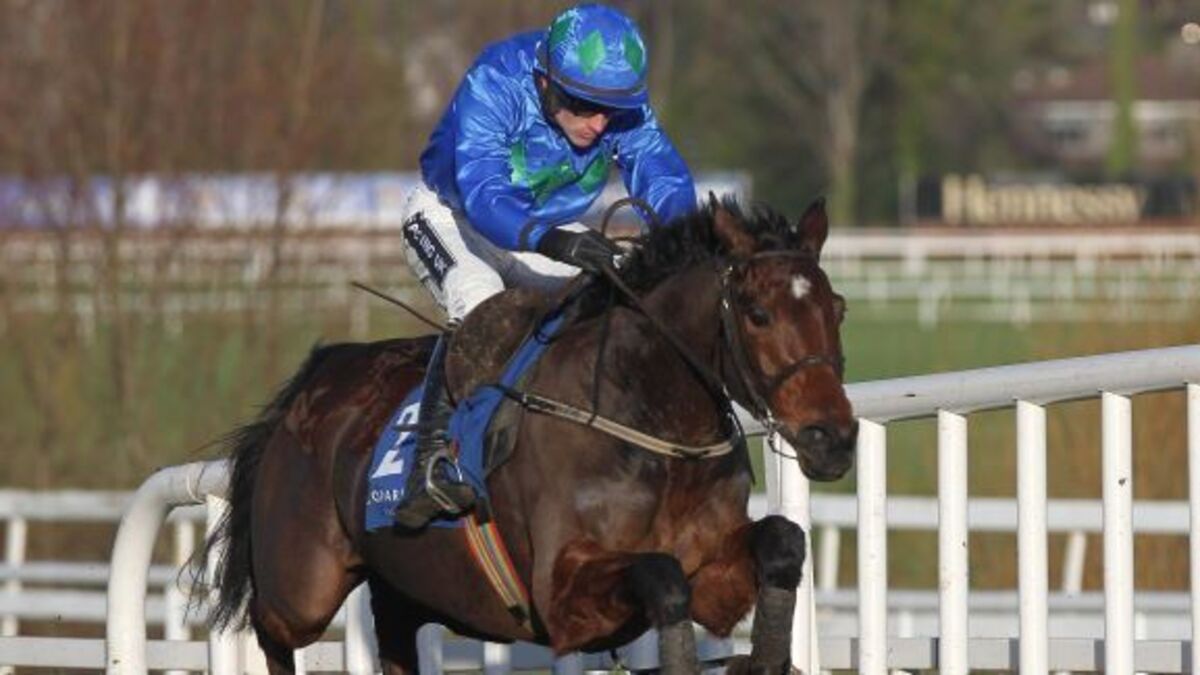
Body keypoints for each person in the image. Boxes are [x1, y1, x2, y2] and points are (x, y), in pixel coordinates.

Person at [394, 2, 697, 529]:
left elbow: (662, 174)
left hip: (539, 230)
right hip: (452, 215)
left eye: (611, 112)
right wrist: (555, 241)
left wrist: (683, 242)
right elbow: (484, 194)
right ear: (545, 83)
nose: (600, 124)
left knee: (614, 299)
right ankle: (433, 462)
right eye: (585, 108)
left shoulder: (614, 106)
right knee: (482, 302)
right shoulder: (496, 80)